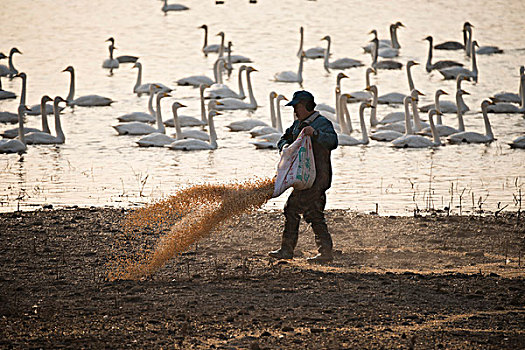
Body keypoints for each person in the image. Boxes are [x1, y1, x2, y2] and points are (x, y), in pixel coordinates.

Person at [269, 90, 338, 263]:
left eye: (297, 106)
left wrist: (314, 134)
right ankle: (325, 253)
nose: (295, 111)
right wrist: (285, 146)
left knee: (292, 208)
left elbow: (333, 142)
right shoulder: (297, 125)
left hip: (318, 178)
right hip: (304, 178)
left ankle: (288, 250)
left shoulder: (322, 123)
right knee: (314, 213)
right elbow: (283, 139)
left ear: (307, 106)